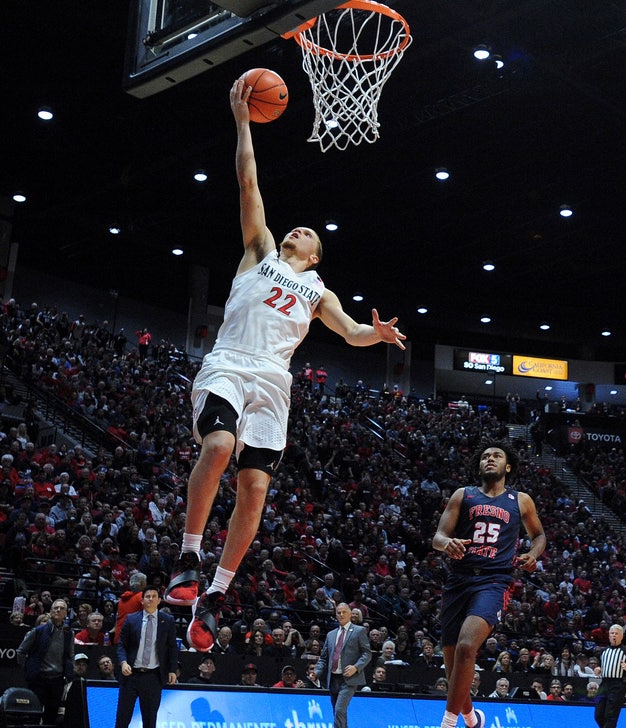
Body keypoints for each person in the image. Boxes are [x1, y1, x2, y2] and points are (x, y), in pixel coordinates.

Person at [164, 75, 407, 652]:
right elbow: (248, 180)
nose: (297, 228)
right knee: (218, 448)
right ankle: (188, 557)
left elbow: (348, 333)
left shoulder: (320, 291)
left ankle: (217, 593)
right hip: (228, 362)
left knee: (254, 492)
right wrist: (244, 122)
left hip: (274, 383)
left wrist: (375, 334)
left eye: (308, 233)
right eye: (295, 227)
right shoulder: (260, 250)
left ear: (317, 255)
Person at [432, 441, 547, 728]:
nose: (490, 459)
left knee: (467, 646)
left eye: (496, 456)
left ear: (508, 466)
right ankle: (473, 719)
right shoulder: (463, 495)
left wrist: (533, 555)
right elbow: (438, 537)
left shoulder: (521, 500)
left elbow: (539, 536)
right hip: (459, 580)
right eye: (485, 456)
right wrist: (448, 544)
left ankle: (447, 724)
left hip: (494, 581)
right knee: (452, 664)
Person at [115, 586, 178, 728]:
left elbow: (173, 647)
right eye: (147, 596)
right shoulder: (131, 619)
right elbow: (121, 645)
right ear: (142, 601)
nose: (150, 599)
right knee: (122, 719)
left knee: (150, 721)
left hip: (153, 677)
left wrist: (172, 670)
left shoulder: (167, 621)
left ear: (159, 600)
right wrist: (123, 662)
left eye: (154, 596)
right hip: (131, 675)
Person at [16, 598, 73, 726]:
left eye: (62, 608)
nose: (58, 610)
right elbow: (21, 651)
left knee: (51, 718)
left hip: (57, 680)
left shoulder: (68, 633)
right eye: (55, 608)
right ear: (50, 611)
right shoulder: (38, 631)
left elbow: (70, 655)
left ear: (66, 613)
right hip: (39, 679)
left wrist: (68, 675)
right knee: (33, 715)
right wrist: (29, 669)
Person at [315, 601, 372, 728]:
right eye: (338, 613)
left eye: (344, 612)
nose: (341, 614)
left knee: (339, 710)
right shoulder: (331, 634)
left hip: (349, 679)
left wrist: (356, 667)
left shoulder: (359, 631)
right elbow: (324, 658)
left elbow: (367, 654)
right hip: (333, 679)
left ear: (350, 614)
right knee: (338, 711)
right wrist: (316, 672)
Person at [593, 624, 626, 728]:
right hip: (604, 684)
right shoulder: (604, 651)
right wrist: (599, 670)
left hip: (618, 685)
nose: (614, 635)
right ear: (609, 636)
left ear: (621, 636)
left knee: (610, 715)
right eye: (612, 633)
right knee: (598, 715)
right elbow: (604, 667)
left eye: (616, 633)